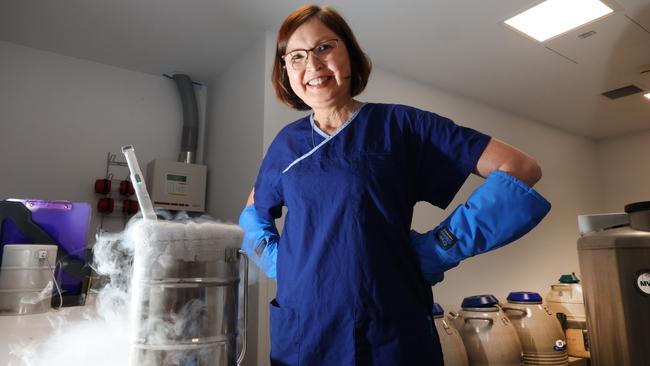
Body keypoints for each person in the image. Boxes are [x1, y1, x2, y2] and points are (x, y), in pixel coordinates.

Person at [239, 5, 551, 365]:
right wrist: (284, 265)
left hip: (390, 331)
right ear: (286, 72)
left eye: (324, 46)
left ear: (350, 55)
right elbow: (252, 215)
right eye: (296, 56)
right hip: (304, 336)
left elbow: (521, 168)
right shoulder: (285, 145)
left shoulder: (402, 126)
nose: (312, 64)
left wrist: (442, 247)